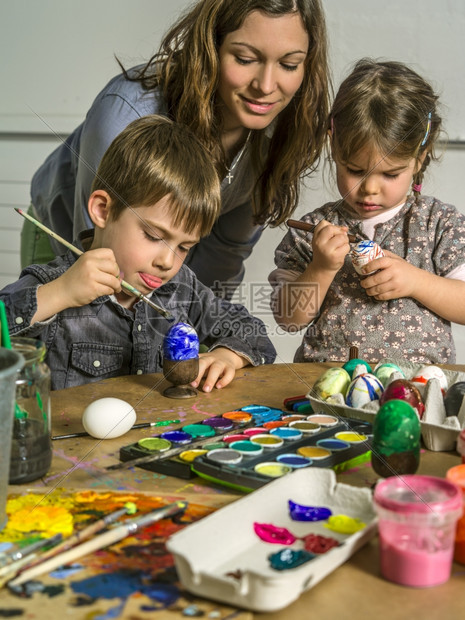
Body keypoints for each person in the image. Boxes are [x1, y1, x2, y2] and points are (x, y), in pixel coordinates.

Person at [23, 0, 330, 299]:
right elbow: (99, 252)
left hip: (153, 258)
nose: (265, 86)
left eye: (289, 65)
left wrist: (205, 336)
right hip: (68, 240)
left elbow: (224, 255)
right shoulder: (126, 114)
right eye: (245, 59)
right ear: (212, 48)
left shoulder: (280, 137)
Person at [2, 116, 276, 390]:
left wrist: (227, 356)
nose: (167, 262)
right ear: (103, 210)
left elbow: (252, 331)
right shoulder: (55, 282)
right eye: (154, 236)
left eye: (184, 247)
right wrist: (60, 293)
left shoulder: (182, 289)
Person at [269, 58, 465, 365]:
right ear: (333, 147)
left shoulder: (439, 224)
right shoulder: (312, 230)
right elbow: (288, 318)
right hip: (328, 388)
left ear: (419, 158)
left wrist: (416, 282)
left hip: (417, 391)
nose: (370, 188)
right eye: (355, 170)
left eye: (390, 175)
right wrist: (320, 269)